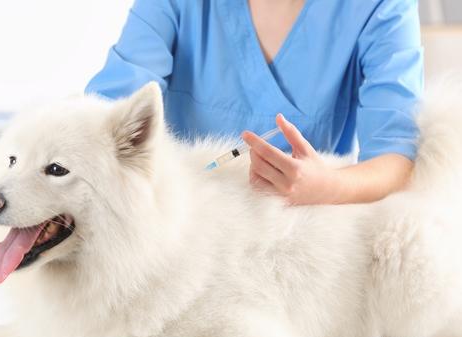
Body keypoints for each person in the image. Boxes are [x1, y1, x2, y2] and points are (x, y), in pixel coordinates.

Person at [85, 0, 423, 205]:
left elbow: (395, 158)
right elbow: (106, 113)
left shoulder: (380, 7)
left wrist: (328, 185)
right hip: (182, 226)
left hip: (299, 235)